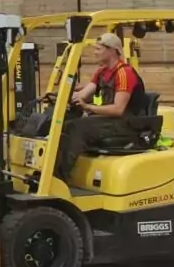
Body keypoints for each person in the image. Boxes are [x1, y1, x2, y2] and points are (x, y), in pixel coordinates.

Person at [55, 32, 150, 179]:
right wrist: (59, 97)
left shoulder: (125, 73)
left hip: (126, 123)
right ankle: (53, 172)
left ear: (112, 50)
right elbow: (83, 94)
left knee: (78, 128)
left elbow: (118, 110)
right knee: (64, 124)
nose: (94, 53)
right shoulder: (101, 72)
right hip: (109, 120)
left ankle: (59, 177)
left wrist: (88, 107)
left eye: (98, 49)